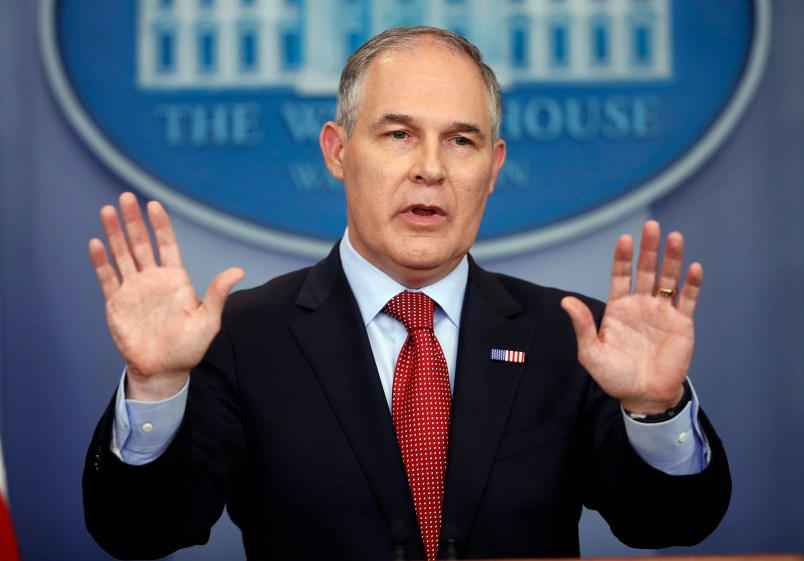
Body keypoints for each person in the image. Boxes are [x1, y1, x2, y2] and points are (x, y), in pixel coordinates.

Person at [83, 26, 730, 560]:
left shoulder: (573, 336)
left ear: (494, 167)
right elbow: (140, 532)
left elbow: (666, 523)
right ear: (337, 151)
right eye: (398, 134)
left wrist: (654, 409)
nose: (430, 167)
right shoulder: (244, 337)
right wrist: (157, 386)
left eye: (462, 140)